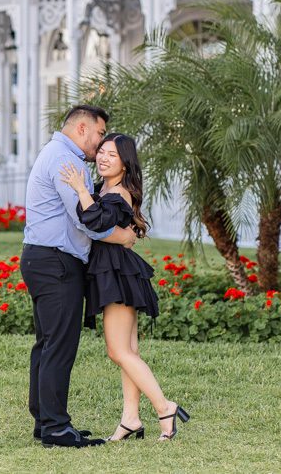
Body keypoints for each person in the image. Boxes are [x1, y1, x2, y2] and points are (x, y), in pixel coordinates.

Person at [20, 105, 138, 448]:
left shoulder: (58, 154)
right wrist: (124, 236)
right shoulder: (64, 159)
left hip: (45, 259)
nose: (100, 145)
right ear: (83, 128)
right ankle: (56, 428)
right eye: (100, 135)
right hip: (56, 262)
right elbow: (84, 218)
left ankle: (46, 421)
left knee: (47, 344)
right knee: (59, 345)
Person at [60, 132, 190, 442]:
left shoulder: (119, 193)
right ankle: (131, 419)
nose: (103, 158)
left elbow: (94, 222)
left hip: (116, 272)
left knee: (118, 351)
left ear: (125, 164)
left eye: (112, 155)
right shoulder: (104, 188)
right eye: (101, 152)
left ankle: (165, 408)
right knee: (128, 351)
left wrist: (80, 189)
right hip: (115, 270)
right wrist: (86, 190)